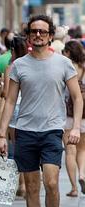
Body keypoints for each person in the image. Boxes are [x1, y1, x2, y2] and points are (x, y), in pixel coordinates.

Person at [0, 15, 83, 207]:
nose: (38, 35)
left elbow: (77, 97)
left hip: (53, 130)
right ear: (28, 35)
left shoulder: (63, 64)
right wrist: (2, 134)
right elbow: (10, 101)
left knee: (52, 182)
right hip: (25, 131)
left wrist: (75, 127)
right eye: (33, 31)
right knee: (32, 187)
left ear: (50, 35)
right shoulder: (19, 66)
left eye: (42, 32)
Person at [2, 36, 28, 198]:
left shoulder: (11, 67)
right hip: (26, 108)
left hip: (13, 109)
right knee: (26, 148)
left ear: (12, 50)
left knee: (14, 149)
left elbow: (6, 94)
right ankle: (27, 183)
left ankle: (21, 185)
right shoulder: (29, 64)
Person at [61, 40, 85, 197]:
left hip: (68, 115)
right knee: (82, 149)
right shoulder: (84, 68)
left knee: (70, 151)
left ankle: (74, 188)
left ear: (69, 52)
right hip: (84, 115)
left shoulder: (66, 67)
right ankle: (82, 175)